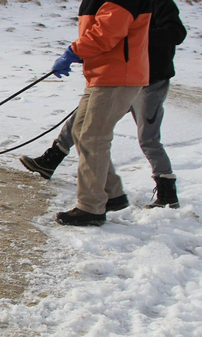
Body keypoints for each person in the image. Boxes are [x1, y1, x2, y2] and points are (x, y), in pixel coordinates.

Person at [21, 0, 187, 213]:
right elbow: (105, 35)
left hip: (148, 80)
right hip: (115, 73)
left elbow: (175, 33)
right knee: (80, 124)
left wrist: (136, 37)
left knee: (146, 138)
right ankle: (53, 160)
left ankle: (166, 192)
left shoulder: (161, 4)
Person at [40, 0, 153, 226]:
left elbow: (106, 33)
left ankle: (91, 208)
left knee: (93, 137)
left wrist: (74, 51)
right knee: (82, 132)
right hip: (103, 75)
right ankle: (111, 193)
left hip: (117, 76)